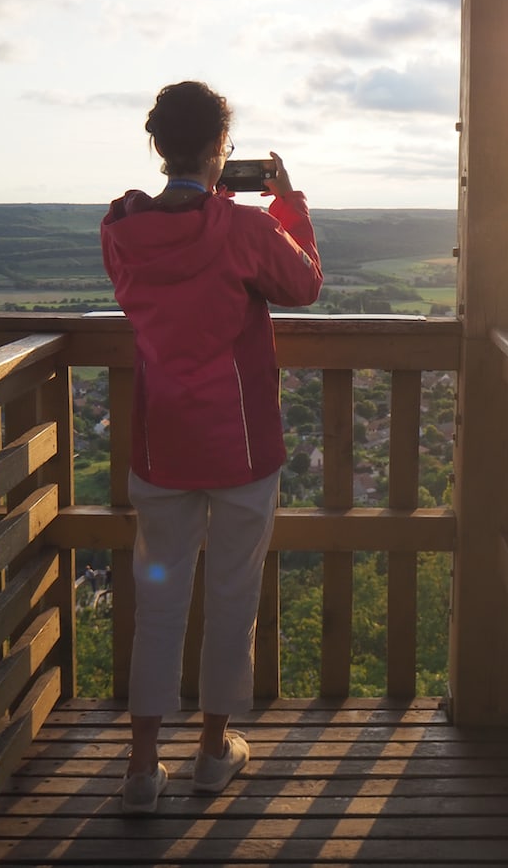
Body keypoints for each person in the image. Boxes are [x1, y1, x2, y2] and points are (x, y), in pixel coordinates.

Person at [100, 80, 323, 814]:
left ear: (160, 147)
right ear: (220, 146)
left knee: (158, 602)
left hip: (162, 446)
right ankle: (210, 752)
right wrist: (287, 205)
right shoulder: (240, 227)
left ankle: (139, 769)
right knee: (232, 598)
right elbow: (304, 283)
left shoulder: (120, 230)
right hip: (241, 448)